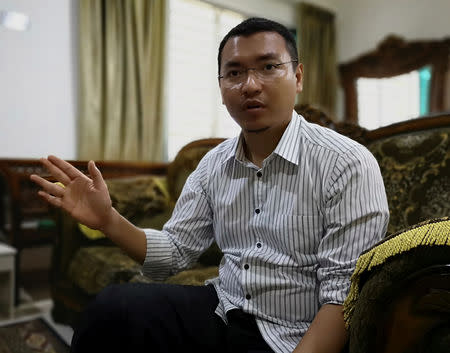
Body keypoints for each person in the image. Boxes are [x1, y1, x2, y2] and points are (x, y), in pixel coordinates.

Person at [31, 17, 389, 353]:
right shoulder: (214, 165)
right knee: (111, 309)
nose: (250, 85)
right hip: (223, 308)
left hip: (295, 334)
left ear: (297, 77)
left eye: (268, 67)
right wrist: (109, 220)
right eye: (234, 72)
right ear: (221, 88)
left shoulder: (347, 163)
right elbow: (174, 253)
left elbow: (343, 296)